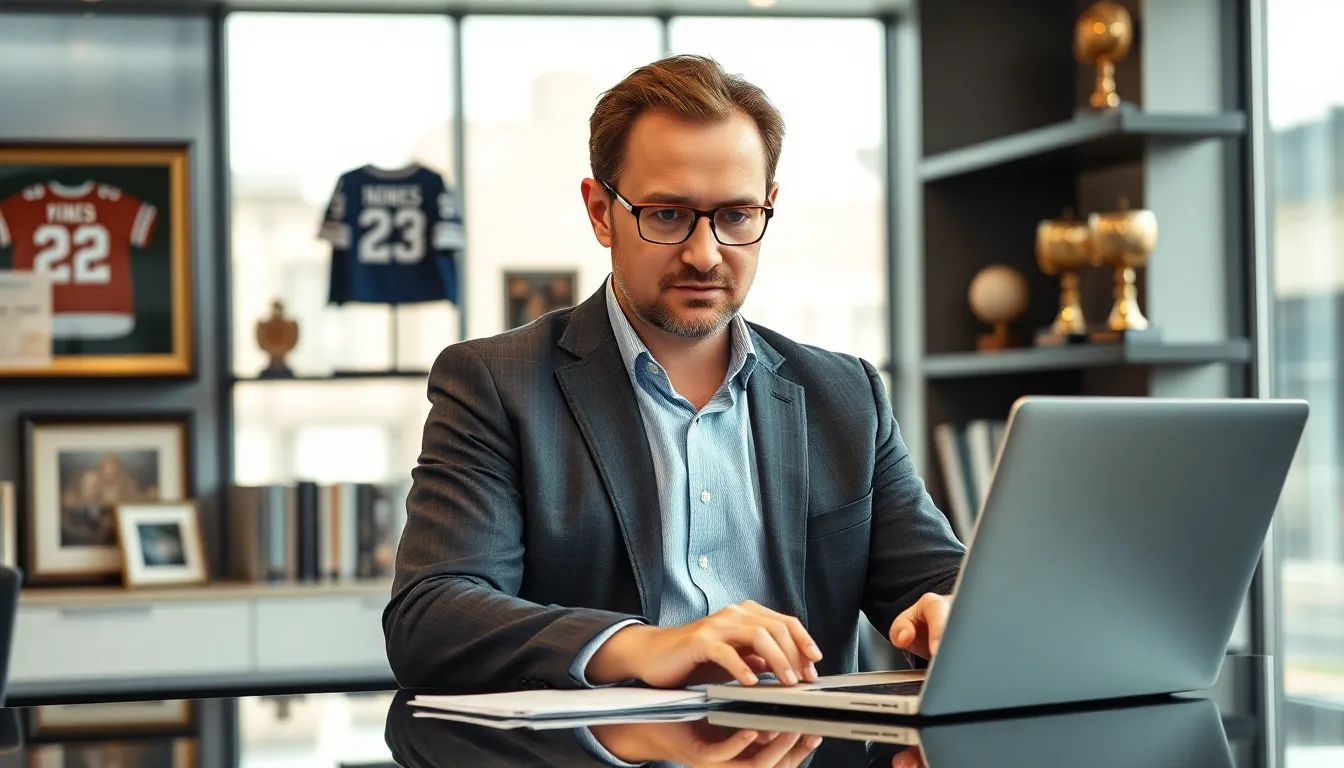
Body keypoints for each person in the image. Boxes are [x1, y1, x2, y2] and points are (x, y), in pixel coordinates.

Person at [384, 54, 965, 698]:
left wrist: (956, 610)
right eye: (666, 215)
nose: (704, 253)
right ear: (601, 212)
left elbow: (935, 577)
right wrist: (644, 644)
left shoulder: (845, 394)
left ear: (767, 208)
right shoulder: (497, 383)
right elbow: (431, 618)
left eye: (736, 216)